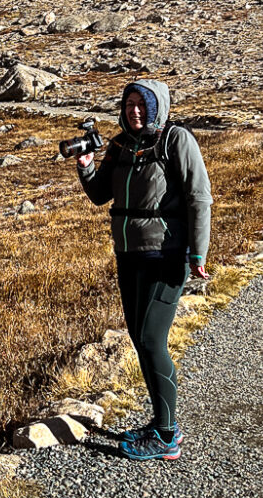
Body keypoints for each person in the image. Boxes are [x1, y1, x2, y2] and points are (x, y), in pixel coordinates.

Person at [76, 78, 212, 461]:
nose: (134, 110)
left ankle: (167, 436)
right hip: (128, 253)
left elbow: (199, 197)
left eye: (142, 104)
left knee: (152, 340)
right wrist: (86, 168)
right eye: (129, 103)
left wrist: (197, 253)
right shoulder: (120, 144)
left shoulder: (176, 140)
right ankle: (159, 423)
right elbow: (101, 194)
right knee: (139, 339)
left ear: (157, 107)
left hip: (165, 253)